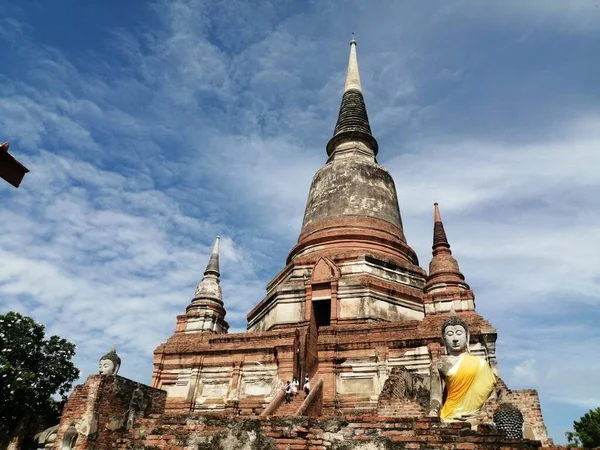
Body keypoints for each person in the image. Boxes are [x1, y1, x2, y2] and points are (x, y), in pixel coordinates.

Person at [428, 313, 496, 423]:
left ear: (467, 336)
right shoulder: (439, 364)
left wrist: (485, 410)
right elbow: (436, 398)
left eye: (459, 333)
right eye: (450, 334)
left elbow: (491, 396)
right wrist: (433, 412)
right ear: (444, 339)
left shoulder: (481, 363)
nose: (455, 339)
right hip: (451, 416)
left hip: (477, 416)